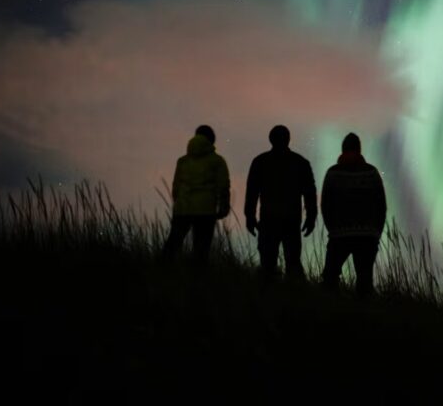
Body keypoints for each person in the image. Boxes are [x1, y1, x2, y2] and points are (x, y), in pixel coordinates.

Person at [244, 125, 317, 280]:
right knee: (293, 262)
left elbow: (252, 192)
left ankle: (268, 292)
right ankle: (293, 291)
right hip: (291, 220)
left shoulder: (260, 162)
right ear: (289, 139)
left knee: (268, 265)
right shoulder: (300, 162)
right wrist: (311, 216)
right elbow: (309, 193)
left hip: (269, 219)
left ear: (270, 139)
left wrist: (250, 216)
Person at [320, 132, 387, 296]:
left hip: (339, 235)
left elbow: (325, 205)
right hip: (367, 236)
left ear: (343, 149)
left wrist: (332, 229)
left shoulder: (333, 173)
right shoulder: (372, 173)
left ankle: (330, 307)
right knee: (365, 280)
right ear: (359, 149)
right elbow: (381, 205)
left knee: (330, 276)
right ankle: (364, 310)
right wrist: (376, 232)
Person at [162, 124, 231, 262]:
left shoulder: (183, 161)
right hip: (205, 210)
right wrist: (224, 206)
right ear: (211, 140)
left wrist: (178, 203)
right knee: (201, 250)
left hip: (182, 208)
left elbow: (176, 186)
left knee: (173, 244)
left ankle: (162, 269)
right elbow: (223, 186)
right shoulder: (217, 161)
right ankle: (197, 274)